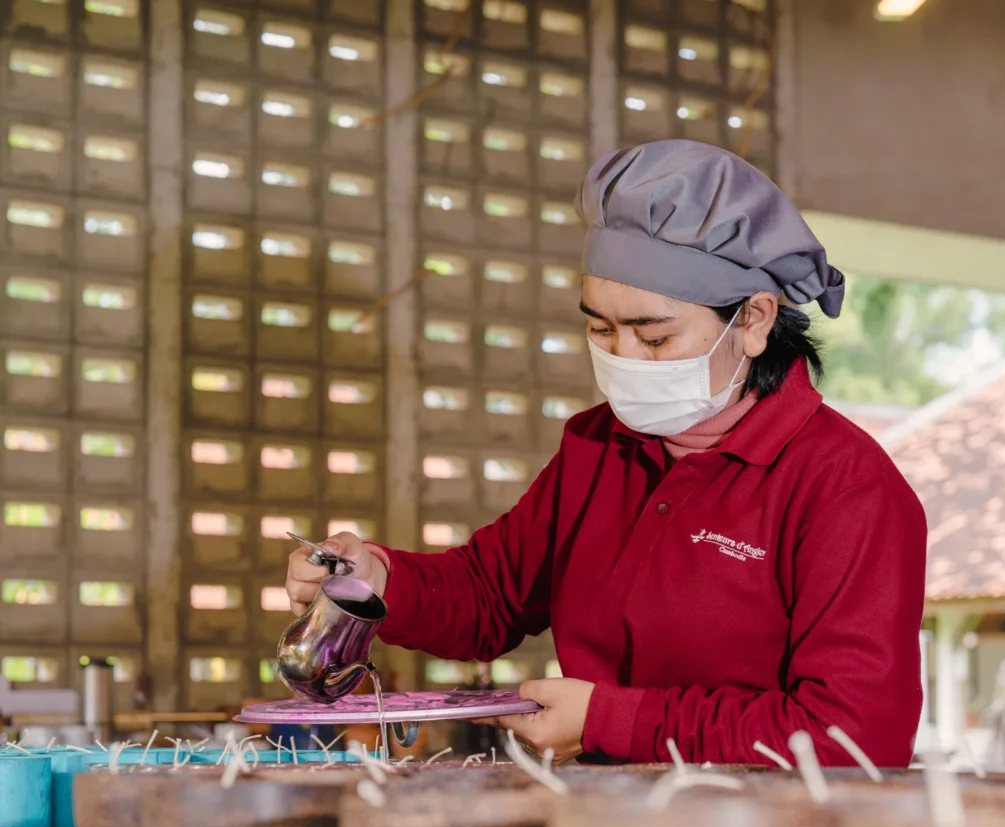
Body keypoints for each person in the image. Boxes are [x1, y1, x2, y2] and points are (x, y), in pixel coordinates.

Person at [285, 140, 927, 768]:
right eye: (600, 329)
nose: (622, 358)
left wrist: (611, 722)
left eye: (654, 336)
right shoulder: (598, 446)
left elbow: (856, 733)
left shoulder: (845, 487)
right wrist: (379, 578)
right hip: (607, 825)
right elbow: (489, 596)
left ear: (755, 321)